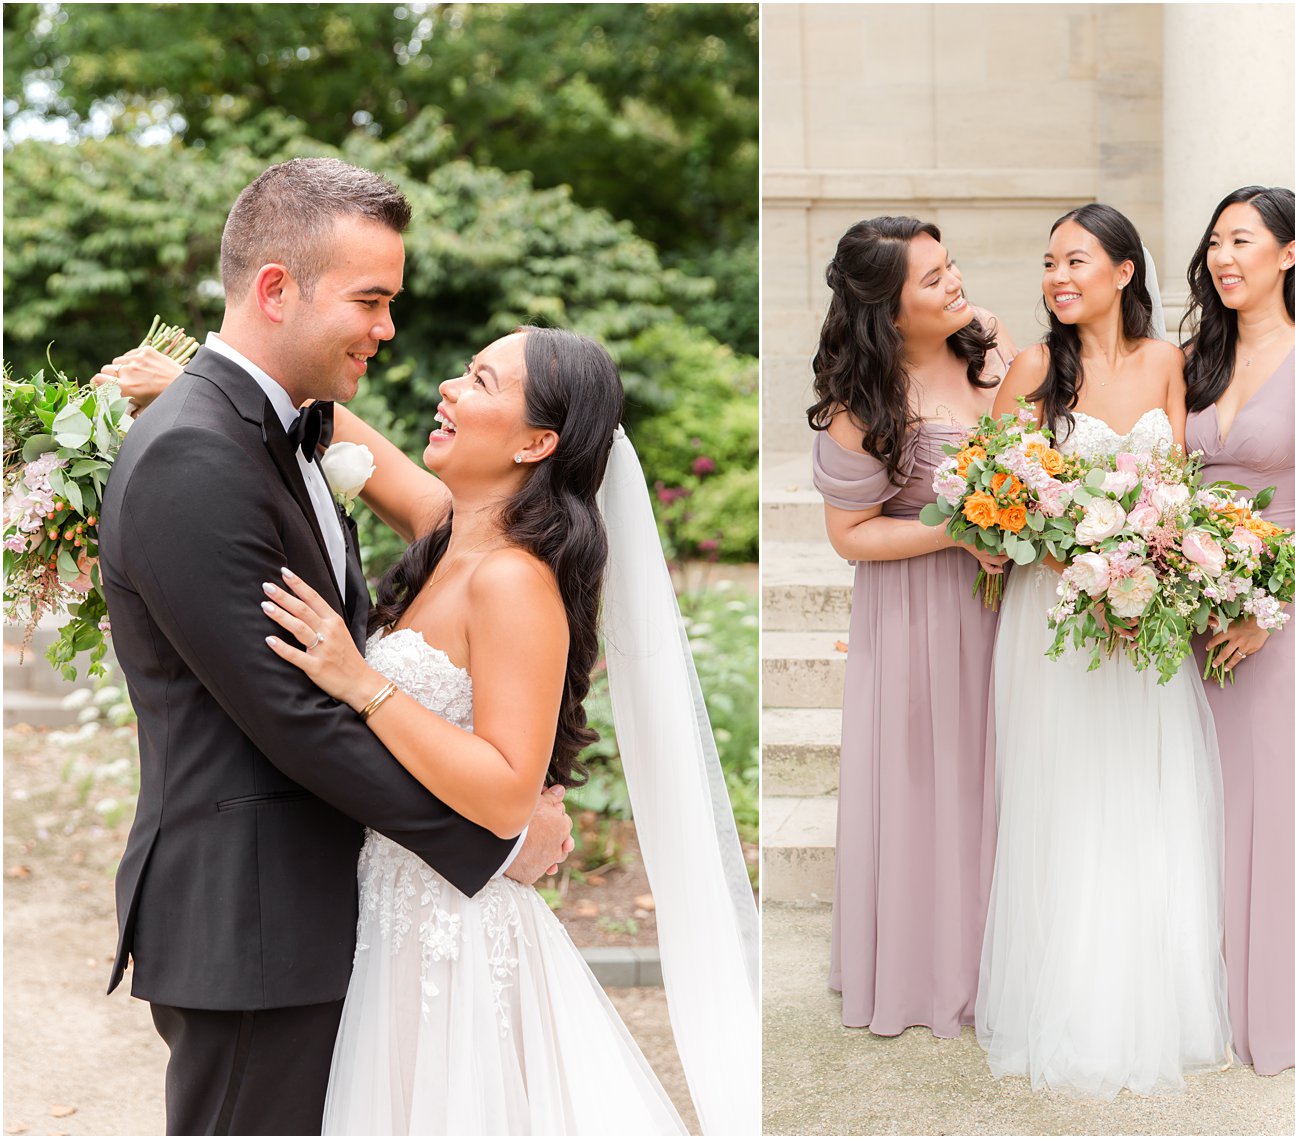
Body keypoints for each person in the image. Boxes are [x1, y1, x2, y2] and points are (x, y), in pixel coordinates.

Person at [97, 158, 572, 1135]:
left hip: (313, 912)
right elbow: (296, 716)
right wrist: (491, 844)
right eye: (371, 298)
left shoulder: (286, 434)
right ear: (276, 288)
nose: (389, 328)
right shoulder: (197, 455)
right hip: (249, 922)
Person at [259, 327, 757, 1134]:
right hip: (391, 917)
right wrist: (188, 374)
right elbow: (323, 413)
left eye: (482, 380)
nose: (450, 388)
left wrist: (363, 681)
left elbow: (503, 795)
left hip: (451, 943)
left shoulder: (512, 580)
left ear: (537, 441)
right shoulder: (448, 534)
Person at [976, 203, 1231, 1096]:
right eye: (1049, 262)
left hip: (1144, 607)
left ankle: (1151, 998)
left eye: (1076, 260)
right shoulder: (1036, 369)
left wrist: (1149, 560)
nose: (1058, 276)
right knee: (1067, 789)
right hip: (1055, 611)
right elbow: (991, 498)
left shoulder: (1170, 365)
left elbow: (1184, 485)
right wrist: (1077, 554)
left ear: (1125, 272)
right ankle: (1066, 999)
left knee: (1141, 787)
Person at [806, 216, 1015, 1038]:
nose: (955, 283)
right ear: (891, 313)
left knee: (1000, 772)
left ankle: (1006, 958)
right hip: (918, 614)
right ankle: (928, 971)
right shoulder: (863, 406)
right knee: (929, 782)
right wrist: (954, 531)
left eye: (951, 265)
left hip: (1007, 601)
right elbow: (850, 536)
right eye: (933, 280)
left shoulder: (990, 343)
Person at [1180, 186, 1295, 1075]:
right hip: (1195, 597)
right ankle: (1198, 993)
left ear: (1288, 252)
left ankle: (1272, 1007)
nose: (1222, 258)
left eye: (1241, 240)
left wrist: (1266, 603)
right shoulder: (1193, 356)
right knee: (1197, 792)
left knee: (1270, 793)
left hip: (1283, 598)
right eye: (1213, 244)